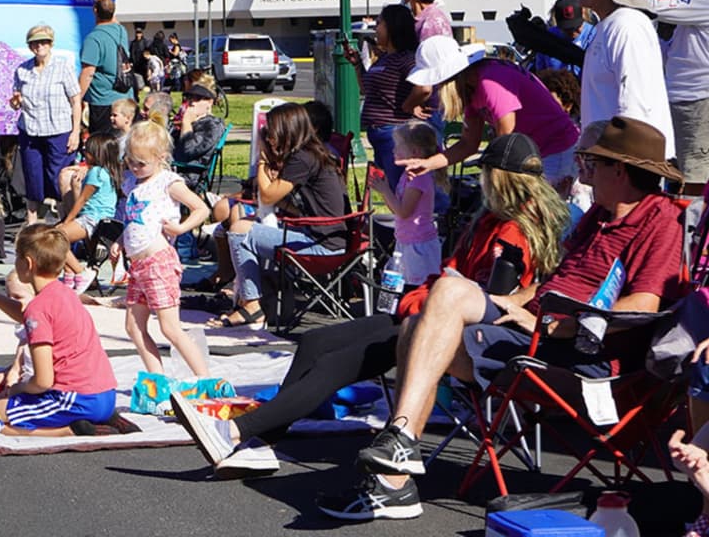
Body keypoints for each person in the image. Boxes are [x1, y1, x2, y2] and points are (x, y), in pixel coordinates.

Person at [322, 116, 686, 521]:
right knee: (424, 315)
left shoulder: (660, 220)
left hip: (578, 356)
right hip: (538, 328)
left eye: (592, 162)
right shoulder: (600, 215)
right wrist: (516, 301)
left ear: (619, 170)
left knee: (436, 306)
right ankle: (398, 465)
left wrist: (559, 324)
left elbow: (643, 306)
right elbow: (555, 281)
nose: (584, 170)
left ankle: (398, 459)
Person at [171, 133, 569, 480]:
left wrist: (430, 294)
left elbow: (482, 296)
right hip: (425, 309)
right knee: (315, 343)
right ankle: (267, 438)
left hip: (451, 332)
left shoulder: (513, 232)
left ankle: (238, 432)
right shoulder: (491, 220)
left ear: (499, 179)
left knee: (332, 365)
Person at [0, 224, 118, 438]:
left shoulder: (38, 309)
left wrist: (16, 389)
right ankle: (98, 420)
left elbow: (43, 381)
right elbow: (29, 316)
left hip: (77, 399)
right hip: (106, 395)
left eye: (18, 257)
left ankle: (69, 430)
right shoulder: (65, 294)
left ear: (28, 263)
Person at [216, 103, 348, 327]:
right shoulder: (315, 152)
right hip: (333, 236)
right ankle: (256, 297)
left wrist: (262, 159)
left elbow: (267, 196)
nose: (269, 137)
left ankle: (251, 304)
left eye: (272, 131)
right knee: (247, 224)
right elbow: (288, 201)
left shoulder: (303, 158)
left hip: (322, 244)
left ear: (287, 129)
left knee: (239, 230)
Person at [399, 35, 581, 192]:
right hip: (533, 153)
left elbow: (506, 138)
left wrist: (495, 174)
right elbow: (468, 144)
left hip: (557, 148)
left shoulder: (490, 81)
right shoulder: (472, 92)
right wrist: (429, 164)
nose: (437, 90)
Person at [553, 0, 675, 157]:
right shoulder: (610, 26)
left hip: (629, 161)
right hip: (613, 160)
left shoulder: (626, 26)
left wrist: (623, 164)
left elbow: (635, 102)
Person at [117, 121, 212, 377]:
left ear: (160, 158)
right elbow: (133, 221)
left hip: (158, 262)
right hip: (138, 265)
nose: (135, 168)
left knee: (170, 327)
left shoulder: (167, 182)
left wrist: (181, 228)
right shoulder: (133, 184)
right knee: (134, 328)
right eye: (131, 162)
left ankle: (204, 377)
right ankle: (157, 379)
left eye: (141, 163)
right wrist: (119, 242)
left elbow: (201, 208)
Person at [628, 0, 709, 195]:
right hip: (686, 103)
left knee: (694, 178)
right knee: (678, 175)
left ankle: (694, 231)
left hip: (698, 103)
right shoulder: (697, 6)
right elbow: (672, 55)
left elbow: (657, 3)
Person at [10, 24, 82, 225]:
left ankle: (67, 222)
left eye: (43, 42)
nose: (39, 46)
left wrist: (76, 131)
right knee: (33, 179)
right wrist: (15, 102)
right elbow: (16, 103)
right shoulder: (22, 70)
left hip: (59, 131)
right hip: (31, 131)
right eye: (34, 42)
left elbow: (76, 101)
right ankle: (32, 223)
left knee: (59, 179)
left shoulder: (63, 67)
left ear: (51, 44)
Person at [348, 3, 420, 189]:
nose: (375, 29)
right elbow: (366, 90)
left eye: (379, 23)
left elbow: (424, 87)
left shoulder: (407, 59)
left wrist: (410, 105)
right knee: (388, 188)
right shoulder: (385, 58)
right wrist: (357, 65)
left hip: (394, 133)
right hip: (378, 134)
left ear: (393, 27)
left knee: (401, 188)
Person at [370, 121, 443, 288]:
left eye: (398, 146)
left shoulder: (419, 178)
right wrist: (386, 190)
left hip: (419, 245)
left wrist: (385, 191)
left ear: (414, 152)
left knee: (418, 288)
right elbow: (396, 209)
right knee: (404, 285)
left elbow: (404, 212)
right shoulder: (407, 175)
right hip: (406, 240)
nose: (393, 150)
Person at [55, 133, 123, 294]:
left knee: (56, 237)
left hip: (92, 218)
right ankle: (76, 275)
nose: (85, 153)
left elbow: (82, 199)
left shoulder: (96, 172)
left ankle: (78, 272)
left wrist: (67, 220)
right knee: (87, 252)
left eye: (87, 151)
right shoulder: (110, 172)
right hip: (104, 218)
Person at [78, 0, 131, 136]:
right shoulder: (121, 31)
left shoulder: (94, 38)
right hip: (125, 97)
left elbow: (88, 73)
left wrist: (76, 99)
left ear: (95, 11)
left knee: (103, 146)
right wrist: (107, 4)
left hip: (103, 101)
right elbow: (113, 18)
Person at [529, 0, 592, 76]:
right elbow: (540, 73)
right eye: (570, 29)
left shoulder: (594, 36)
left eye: (578, 26)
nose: (578, 31)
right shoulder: (548, 38)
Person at [172, 84, 227, 174]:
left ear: (210, 102)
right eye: (189, 98)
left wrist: (186, 122)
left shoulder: (211, 125)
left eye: (197, 99)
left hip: (189, 174)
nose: (192, 103)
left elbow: (188, 150)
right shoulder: (195, 123)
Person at [129, 26, 149, 100]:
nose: (138, 34)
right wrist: (131, 62)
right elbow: (131, 53)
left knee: (144, 77)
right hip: (135, 64)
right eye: (137, 33)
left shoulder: (145, 42)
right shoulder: (133, 43)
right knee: (136, 78)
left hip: (143, 64)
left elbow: (147, 52)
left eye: (139, 33)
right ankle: (138, 90)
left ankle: (145, 90)